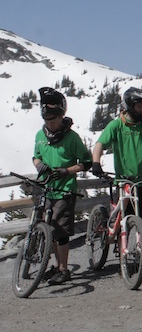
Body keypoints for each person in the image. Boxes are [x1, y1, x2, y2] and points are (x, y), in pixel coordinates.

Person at [32, 87, 93, 285]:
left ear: (61, 116)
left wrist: (67, 171)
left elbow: (86, 162)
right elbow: (36, 156)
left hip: (64, 189)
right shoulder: (40, 135)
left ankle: (63, 269)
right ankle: (50, 265)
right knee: (45, 227)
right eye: (47, 120)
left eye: (53, 120)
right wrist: (39, 165)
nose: (49, 123)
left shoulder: (72, 138)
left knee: (60, 231)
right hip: (46, 188)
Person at [91, 88, 142, 232]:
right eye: (140, 106)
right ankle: (117, 242)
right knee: (121, 220)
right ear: (129, 106)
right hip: (124, 181)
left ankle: (141, 248)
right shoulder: (116, 125)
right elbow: (100, 145)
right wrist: (96, 163)